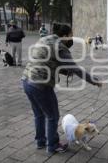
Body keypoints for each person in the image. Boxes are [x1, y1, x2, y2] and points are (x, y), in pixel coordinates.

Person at [22, 23, 102, 154]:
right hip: (41, 85)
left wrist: (65, 71)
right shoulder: (60, 47)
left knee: (39, 114)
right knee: (52, 116)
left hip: (26, 81)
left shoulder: (44, 39)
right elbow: (76, 69)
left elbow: (46, 61)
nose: (72, 38)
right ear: (64, 36)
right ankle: (52, 146)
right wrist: (94, 81)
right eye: (71, 35)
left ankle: (41, 141)